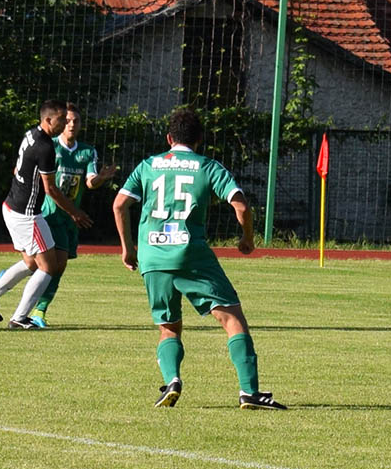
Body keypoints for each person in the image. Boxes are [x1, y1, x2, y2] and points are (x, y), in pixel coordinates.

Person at [112, 108, 286, 410]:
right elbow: (241, 207)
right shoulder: (208, 167)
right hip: (191, 253)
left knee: (168, 326)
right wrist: (247, 238)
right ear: (200, 139)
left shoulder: (148, 165)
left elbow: (119, 205)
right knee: (231, 318)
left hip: (153, 256)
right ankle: (249, 392)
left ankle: (173, 380)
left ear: (169, 138)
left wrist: (128, 248)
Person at [0, 99, 93, 329]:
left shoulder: (31, 134)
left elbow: (19, 169)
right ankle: (19, 319)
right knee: (48, 267)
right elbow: (51, 189)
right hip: (27, 215)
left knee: (30, 262)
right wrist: (75, 213)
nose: (65, 124)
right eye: (61, 120)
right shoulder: (46, 147)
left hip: (12, 206)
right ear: (48, 120)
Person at [28, 102, 116, 328]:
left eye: (76, 121)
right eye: (67, 121)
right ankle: (28, 298)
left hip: (68, 219)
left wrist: (102, 178)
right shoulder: (50, 147)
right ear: (60, 122)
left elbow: (90, 181)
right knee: (42, 265)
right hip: (47, 213)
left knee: (54, 266)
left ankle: (37, 308)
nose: (72, 125)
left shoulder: (87, 151)